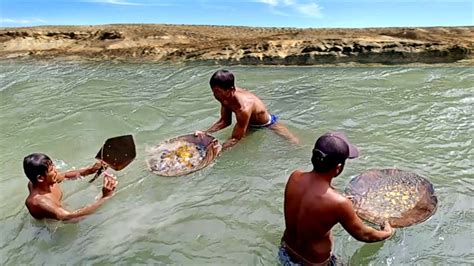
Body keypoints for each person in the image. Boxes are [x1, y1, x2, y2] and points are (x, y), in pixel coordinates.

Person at [280, 132, 394, 265]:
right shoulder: (339, 203)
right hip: (315, 263)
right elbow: (365, 235)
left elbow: (314, 201)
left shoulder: (294, 177)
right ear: (338, 168)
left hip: (285, 251)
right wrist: (387, 232)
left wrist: (340, 200)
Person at [195, 69, 299, 150]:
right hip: (247, 122)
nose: (216, 95)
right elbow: (225, 121)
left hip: (267, 123)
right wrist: (205, 133)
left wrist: (218, 150)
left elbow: (236, 139)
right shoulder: (224, 97)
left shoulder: (243, 108)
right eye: (214, 92)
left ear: (231, 90)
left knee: (292, 142)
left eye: (218, 92)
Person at [23, 153, 118, 221]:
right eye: (52, 170)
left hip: (59, 209)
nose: (56, 171)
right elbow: (71, 217)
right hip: (53, 226)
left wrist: (90, 170)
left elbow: (65, 175)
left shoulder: (48, 180)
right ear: (40, 178)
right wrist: (105, 196)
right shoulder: (39, 202)